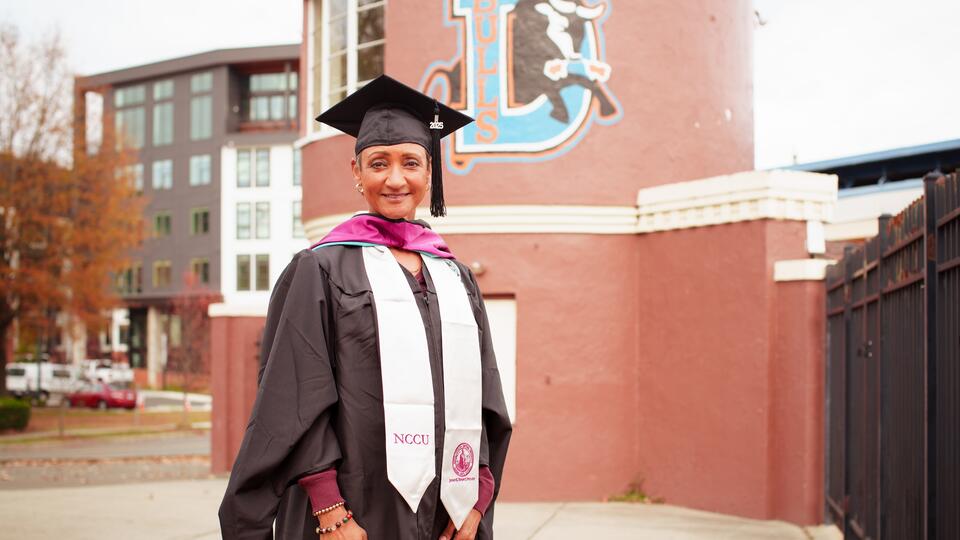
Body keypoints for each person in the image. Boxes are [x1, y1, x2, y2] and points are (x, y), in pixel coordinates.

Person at [219, 75, 512, 540]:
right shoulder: (321, 269)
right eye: (379, 163)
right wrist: (329, 508)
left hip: (446, 515)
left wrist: (476, 495)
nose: (395, 179)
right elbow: (295, 396)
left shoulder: (456, 276)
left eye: (411, 163)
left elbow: (484, 398)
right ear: (356, 173)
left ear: (429, 172)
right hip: (348, 514)